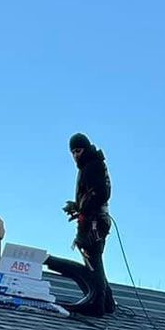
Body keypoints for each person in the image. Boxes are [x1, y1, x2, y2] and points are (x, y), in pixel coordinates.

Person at [52, 132, 114, 317]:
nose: (76, 156)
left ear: (85, 149)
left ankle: (97, 303)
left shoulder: (92, 166)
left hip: (94, 223)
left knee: (93, 260)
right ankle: (107, 302)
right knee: (93, 260)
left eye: (78, 151)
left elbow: (100, 194)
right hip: (93, 219)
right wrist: (78, 207)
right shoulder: (91, 165)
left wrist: (84, 209)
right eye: (73, 152)